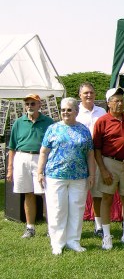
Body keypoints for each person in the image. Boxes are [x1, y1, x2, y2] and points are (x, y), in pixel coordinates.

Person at [37, 97, 95, 255]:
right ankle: (57, 243)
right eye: (63, 110)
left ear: (76, 111)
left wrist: (91, 174)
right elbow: (43, 152)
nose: (65, 112)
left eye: (69, 109)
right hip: (56, 175)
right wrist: (40, 172)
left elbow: (90, 154)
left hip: (79, 176)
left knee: (76, 209)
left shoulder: (84, 129)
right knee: (57, 209)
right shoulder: (53, 129)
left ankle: (73, 241)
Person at [93, 87, 124, 250]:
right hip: (108, 163)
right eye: (116, 100)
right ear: (109, 103)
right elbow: (97, 149)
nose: (120, 103)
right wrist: (103, 169)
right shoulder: (102, 121)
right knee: (106, 199)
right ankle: (106, 236)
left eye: (122, 100)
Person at [7, 94, 54, 238]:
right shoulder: (18, 122)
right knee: (28, 193)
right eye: (27, 104)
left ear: (40, 105)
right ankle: (30, 227)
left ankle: (50, 228)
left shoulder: (48, 122)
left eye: (32, 104)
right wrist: (10, 169)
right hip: (22, 158)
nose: (29, 106)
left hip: (41, 158)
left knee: (46, 194)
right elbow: (12, 147)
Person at [75, 82, 106, 237]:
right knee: (78, 194)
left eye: (91, 92)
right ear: (79, 95)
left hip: (97, 157)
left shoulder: (102, 111)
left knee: (97, 193)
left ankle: (98, 226)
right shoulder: (75, 112)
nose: (89, 95)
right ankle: (75, 226)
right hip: (79, 158)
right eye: (85, 93)